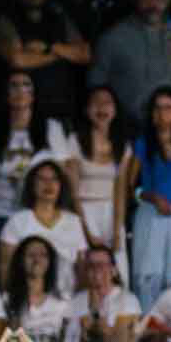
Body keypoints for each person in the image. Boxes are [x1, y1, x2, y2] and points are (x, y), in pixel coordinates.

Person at [0, 71, 71, 244]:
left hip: (37, 214)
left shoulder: (52, 128)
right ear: (6, 94)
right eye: (14, 86)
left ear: (33, 94)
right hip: (0, 214)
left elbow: (63, 173)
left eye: (26, 85)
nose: (20, 91)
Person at [126, 85, 171, 311]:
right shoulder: (143, 143)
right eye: (157, 108)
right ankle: (148, 322)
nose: (162, 113)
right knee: (149, 273)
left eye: (168, 107)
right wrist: (152, 197)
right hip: (150, 212)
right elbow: (130, 187)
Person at [88, 0, 171, 122]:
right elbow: (96, 83)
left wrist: (170, 111)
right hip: (124, 126)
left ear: (168, 0)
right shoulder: (113, 38)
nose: (153, 3)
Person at [63, 86, 133, 284]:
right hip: (82, 210)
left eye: (107, 102)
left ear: (115, 110)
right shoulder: (75, 141)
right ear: (87, 110)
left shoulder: (123, 145)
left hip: (111, 212)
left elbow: (120, 190)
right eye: (96, 102)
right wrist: (86, 230)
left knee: (117, 270)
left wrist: (117, 230)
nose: (101, 107)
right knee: (85, 270)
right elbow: (73, 192)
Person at [0, 0, 90, 124]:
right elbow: (18, 60)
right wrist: (63, 53)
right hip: (22, 111)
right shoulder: (6, 18)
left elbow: (84, 54)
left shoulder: (59, 15)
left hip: (61, 108)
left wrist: (49, 47)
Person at [0, 157, 88, 292]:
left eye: (54, 179)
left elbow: (82, 267)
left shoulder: (74, 222)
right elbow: (5, 267)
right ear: (32, 184)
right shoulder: (17, 221)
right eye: (42, 179)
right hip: (27, 297)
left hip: (67, 299)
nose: (48, 184)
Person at [3, 235, 76, 342]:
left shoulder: (63, 302)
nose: (37, 260)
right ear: (21, 260)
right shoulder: (6, 301)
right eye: (31, 255)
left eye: (42, 255)